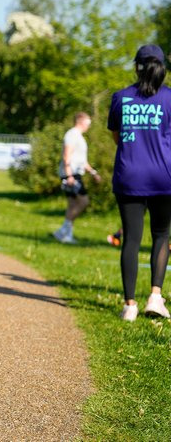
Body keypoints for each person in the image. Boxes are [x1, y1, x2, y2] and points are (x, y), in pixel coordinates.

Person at [108, 44, 171, 321]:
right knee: (161, 235)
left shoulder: (120, 97)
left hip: (129, 175)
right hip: (164, 178)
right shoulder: (170, 99)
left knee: (131, 240)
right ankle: (155, 297)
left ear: (137, 66)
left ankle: (130, 305)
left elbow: (116, 137)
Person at [52, 112, 101, 244]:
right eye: (88, 123)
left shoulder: (79, 136)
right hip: (71, 174)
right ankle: (63, 230)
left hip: (75, 173)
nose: (89, 126)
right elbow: (67, 155)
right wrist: (69, 175)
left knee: (73, 204)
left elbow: (82, 160)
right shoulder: (72, 135)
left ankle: (67, 235)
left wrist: (93, 172)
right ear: (81, 121)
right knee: (83, 201)